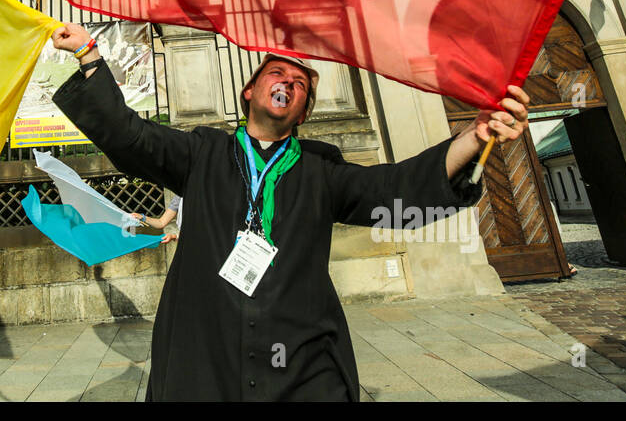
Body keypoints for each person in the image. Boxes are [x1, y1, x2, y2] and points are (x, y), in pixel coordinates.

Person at [49, 22, 529, 401]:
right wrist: (89, 53)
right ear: (249, 92)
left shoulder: (322, 168)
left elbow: (392, 188)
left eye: (300, 83)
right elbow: (129, 135)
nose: (288, 83)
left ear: (302, 113)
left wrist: (475, 135)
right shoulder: (202, 152)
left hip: (302, 359)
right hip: (204, 349)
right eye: (277, 73)